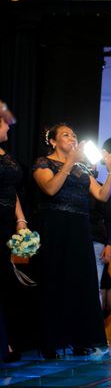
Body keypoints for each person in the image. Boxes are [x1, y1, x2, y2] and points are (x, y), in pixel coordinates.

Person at [33, 123, 111, 359]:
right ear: (53, 141)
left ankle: (81, 339)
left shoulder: (82, 170)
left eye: (74, 135)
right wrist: (70, 162)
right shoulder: (43, 163)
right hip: (56, 227)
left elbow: (101, 195)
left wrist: (110, 171)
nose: (72, 138)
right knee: (55, 282)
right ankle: (51, 341)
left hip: (80, 228)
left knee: (81, 283)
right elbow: (50, 188)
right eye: (66, 135)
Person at [0, 102, 27, 363]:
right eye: (3, 122)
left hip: (6, 224)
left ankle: (5, 341)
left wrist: (21, 220)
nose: (8, 125)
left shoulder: (4, 153)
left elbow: (12, 191)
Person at [88, 170, 111, 308]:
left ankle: (94, 327)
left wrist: (110, 245)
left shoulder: (103, 189)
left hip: (96, 243)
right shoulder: (69, 186)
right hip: (74, 241)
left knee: (95, 288)